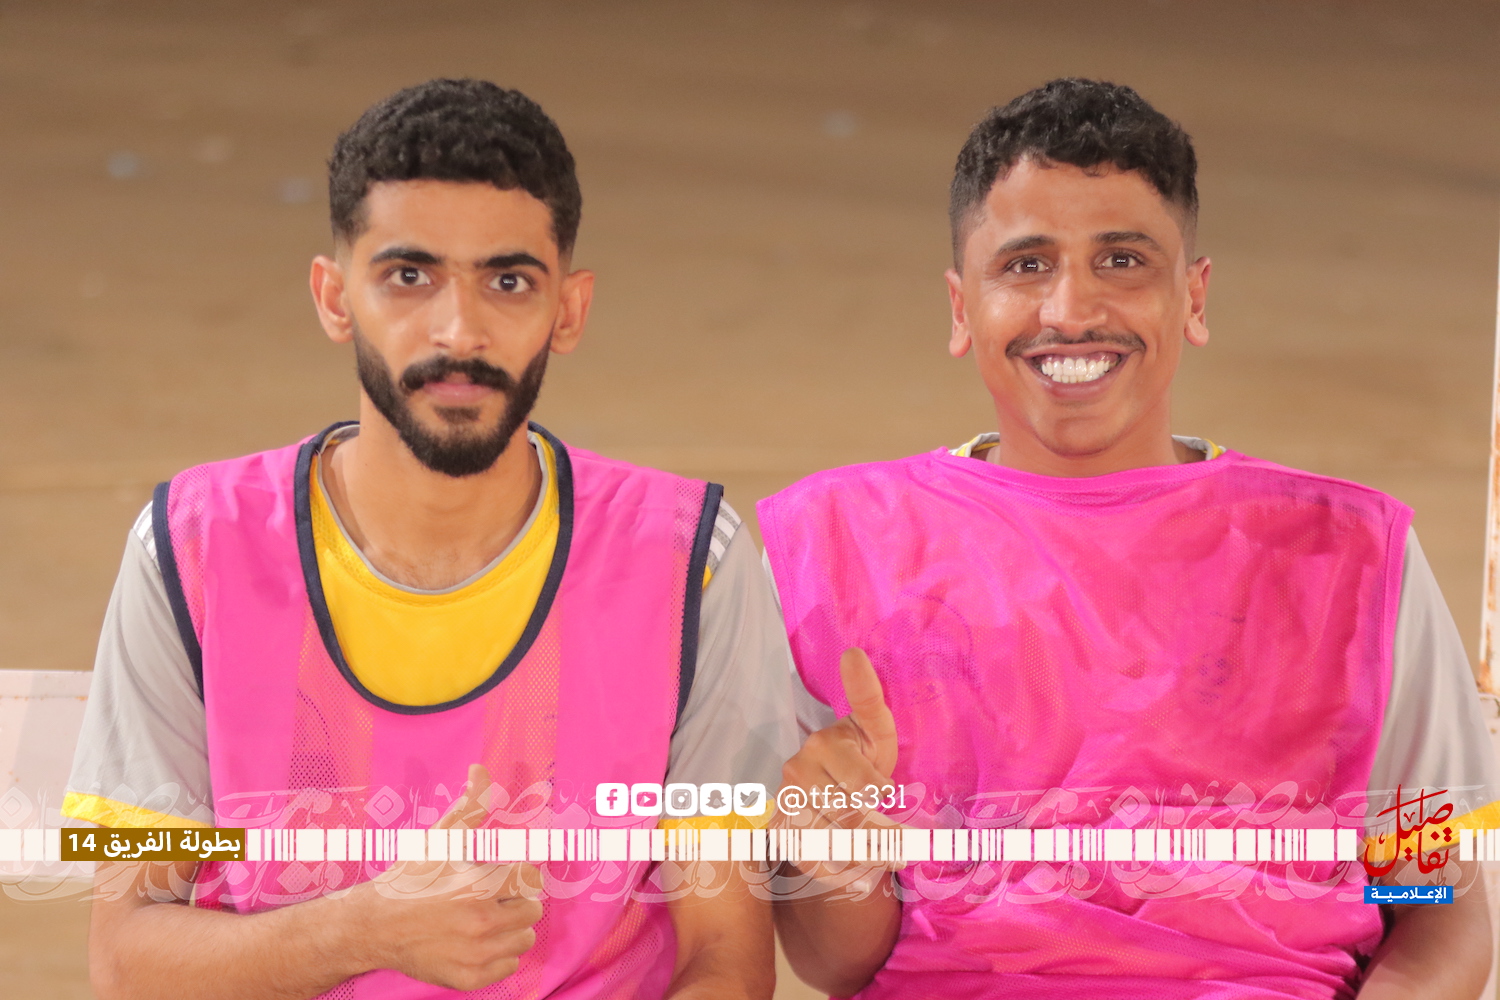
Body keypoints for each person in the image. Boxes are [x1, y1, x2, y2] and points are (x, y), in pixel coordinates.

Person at [761, 78, 1500, 999]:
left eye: (1121, 260)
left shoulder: (1353, 558)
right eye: (1026, 265)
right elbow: (838, 962)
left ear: (1193, 296)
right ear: (960, 308)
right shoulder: (831, 547)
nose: (1071, 310)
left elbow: (1434, 908)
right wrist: (835, 855)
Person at [64, 78, 797, 1000]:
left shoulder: (694, 562)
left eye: (508, 281)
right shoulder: (186, 549)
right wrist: (367, 927)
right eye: (409, 277)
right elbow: (124, 957)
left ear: (569, 310)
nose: (459, 331)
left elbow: (725, 957)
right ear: (335, 297)